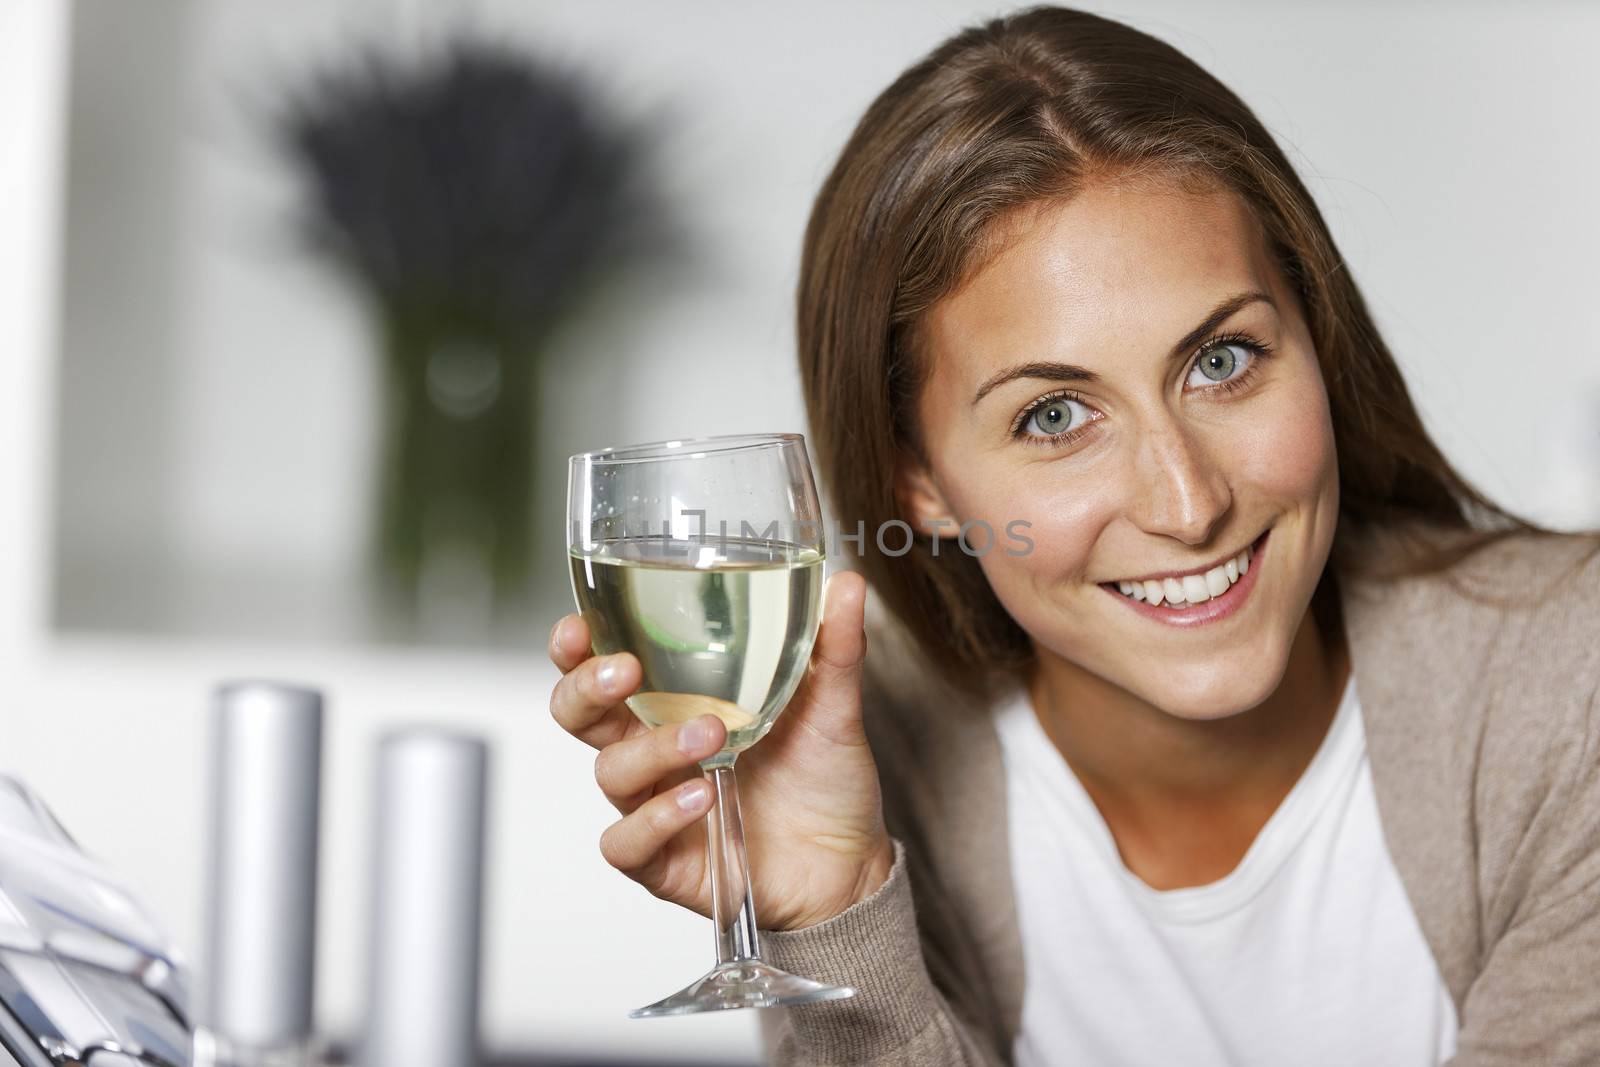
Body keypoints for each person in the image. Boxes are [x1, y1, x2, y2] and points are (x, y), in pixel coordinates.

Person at [548, 6, 1600, 1064]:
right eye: (1053, 416)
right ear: (920, 482)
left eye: (1223, 360)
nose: (1186, 503)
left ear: (1315, 336)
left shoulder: (1568, 682)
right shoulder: (869, 765)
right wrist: (839, 913)